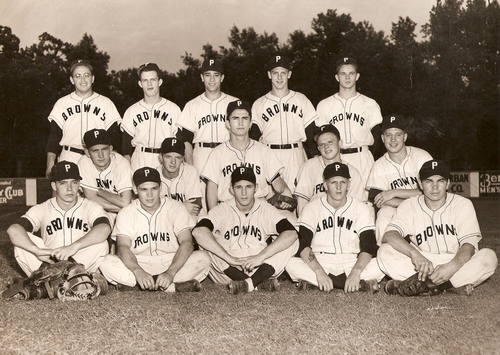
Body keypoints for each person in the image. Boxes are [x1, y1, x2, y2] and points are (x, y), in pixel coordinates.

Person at [378, 160, 498, 296]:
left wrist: (452, 266)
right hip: (422, 264)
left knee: (489, 257)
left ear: (448, 183)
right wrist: (415, 254)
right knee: (384, 251)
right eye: (429, 181)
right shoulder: (409, 205)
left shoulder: (463, 204)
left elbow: (468, 246)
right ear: (420, 184)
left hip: (455, 260)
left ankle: (423, 286)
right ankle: (448, 286)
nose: (435, 187)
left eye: (440, 181)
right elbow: (390, 235)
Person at [99, 167, 210, 292]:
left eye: (154, 188)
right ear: (135, 189)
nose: (150, 194)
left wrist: (171, 272)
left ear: (160, 187)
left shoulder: (176, 207)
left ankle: (138, 286)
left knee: (203, 258)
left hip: (171, 260)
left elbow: (187, 243)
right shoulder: (126, 213)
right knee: (105, 262)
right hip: (139, 261)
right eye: (144, 189)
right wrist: (138, 271)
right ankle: (171, 287)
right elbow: (122, 248)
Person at [192, 167, 299, 294]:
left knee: (293, 241)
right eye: (239, 187)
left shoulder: (265, 209)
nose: (244, 193)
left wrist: (260, 257)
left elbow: (291, 233)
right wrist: (229, 258)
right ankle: (256, 283)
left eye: (248, 187)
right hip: (228, 269)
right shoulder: (223, 209)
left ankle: (248, 284)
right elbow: (198, 232)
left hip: (258, 266)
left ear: (256, 188)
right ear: (231, 189)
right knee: (206, 241)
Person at [286, 162, 384, 293]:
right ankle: (356, 284)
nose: (338, 187)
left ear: (348, 184)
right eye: (333, 182)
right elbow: (303, 245)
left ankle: (318, 283)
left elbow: (369, 245)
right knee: (290, 263)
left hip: (351, 260)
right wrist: (319, 272)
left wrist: (356, 271)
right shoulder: (311, 208)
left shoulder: (360, 208)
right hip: (321, 260)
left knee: (381, 263)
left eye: (343, 182)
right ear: (325, 185)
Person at [7, 161, 110, 276]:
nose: (69, 188)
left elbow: (104, 228)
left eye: (74, 182)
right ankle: (64, 279)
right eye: (63, 183)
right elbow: (14, 229)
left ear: (79, 184)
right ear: (54, 185)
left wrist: (73, 247)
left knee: (101, 244)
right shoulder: (42, 208)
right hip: (48, 262)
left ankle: (58, 279)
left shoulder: (90, 206)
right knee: (22, 244)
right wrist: (37, 251)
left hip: (79, 260)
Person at [201, 100, 294, 211]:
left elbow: (278, 183)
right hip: (228, 208)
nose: (240, 123)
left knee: (290, 220)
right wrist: (214, 217)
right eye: (235, 118)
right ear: (227, 123)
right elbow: (211, 189)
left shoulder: (263, 150)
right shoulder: (217, 153)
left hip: (259, 208)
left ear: (250, 123)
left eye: (245, 118)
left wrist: (285, 195)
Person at [250, 55, 318, 190]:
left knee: (299, 197)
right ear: (269, 75)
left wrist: (316, 156)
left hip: (296, 154)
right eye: (275, 73)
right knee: (270, 200)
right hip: (270, 154)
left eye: (283, 73)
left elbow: (312, 134)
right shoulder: (259, 103)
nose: (279, 77)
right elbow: (254, 137)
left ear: (289, 74)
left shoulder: (301, 99)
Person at [315, 57, 383, 190]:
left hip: (362, 157)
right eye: (343, 74)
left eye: (351, 73)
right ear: (336, 77)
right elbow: (318, 139)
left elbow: (377, 139)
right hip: (335, 158)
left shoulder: (370, 103)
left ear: (357, 76)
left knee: (365, 201)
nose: (347, 78)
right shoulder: (324, 105)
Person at [45, 59, 122, 178]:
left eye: (86, 75)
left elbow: (114, 139)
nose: (83, 80)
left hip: (97, 158)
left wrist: (114, 164)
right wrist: (50, 164)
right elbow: (54, 137)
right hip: (69, 156)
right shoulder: (62, 103)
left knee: (97, 195)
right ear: (72, 80)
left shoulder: (106, 103)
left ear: (93, 78)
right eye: (77, 76)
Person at [366, 114, 432, 243]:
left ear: (405, 137)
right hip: (399, 210)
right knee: (384, 213)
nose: (393, 139)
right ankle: (383, 253)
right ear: (382, 138)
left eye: (398, 134)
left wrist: (394, 192)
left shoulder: (421, 157)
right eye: (388, 135)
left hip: (426, 207)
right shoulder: (379, 165)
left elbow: (433, 191)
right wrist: (412, 200)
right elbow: (379, 200)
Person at [176, 59, 238, 174]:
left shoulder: (234, 103)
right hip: (201, 155)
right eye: (208, 75)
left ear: (222, 77)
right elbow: (186, 140)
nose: (212, 79)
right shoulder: (192, 105)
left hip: (228, 152)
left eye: (216, 75)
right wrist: (191, 168)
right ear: (202, 77)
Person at [121, 63, 182, 172]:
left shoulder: (173, 109)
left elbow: (180, 142)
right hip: (140, 157)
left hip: (165, 159)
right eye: (145, 80)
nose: (149, 84)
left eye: (153, 79)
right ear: (140, 84)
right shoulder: (132, 111)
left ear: (160, 82)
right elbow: (126, 147)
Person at [294, 124, 365, 215]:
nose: (326, 147)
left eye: (330, 142)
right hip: (315, 221)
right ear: (318, 148)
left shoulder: (353, 173)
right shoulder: (309, 167)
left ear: (340, 143)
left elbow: (358, 208)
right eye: (322, 144)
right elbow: (302, 204)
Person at [78, 129, 133, 225]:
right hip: (97, 208)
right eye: (95, 150)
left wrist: (100, 192)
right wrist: (122, 206)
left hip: (122, 211)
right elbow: (91, 198)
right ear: (87, 152)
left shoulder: (122, 164)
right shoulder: (84, 162)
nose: (101, 155)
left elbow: (125, 202)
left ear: (111, 149)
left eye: (104, 149)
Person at [156, 137, 203, 218]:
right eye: (168, 157)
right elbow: (153, 210)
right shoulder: (155, 175)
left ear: (182, 158)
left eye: (178, 157)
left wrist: (165, 209)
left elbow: (195, 207)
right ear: (161, 157)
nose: (173, 162)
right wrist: (183, 206)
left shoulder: (190, 171)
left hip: (187, 219)